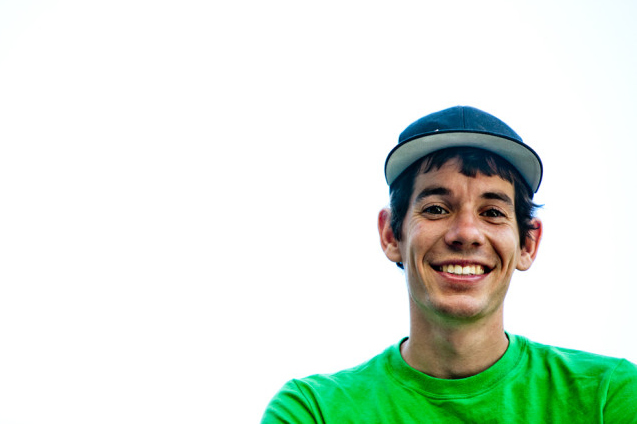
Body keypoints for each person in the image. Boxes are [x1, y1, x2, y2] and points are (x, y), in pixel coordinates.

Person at [261, 106, 637, 423]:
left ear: (528, 243)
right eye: (436, 209)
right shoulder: (315, 410)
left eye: (492, 212)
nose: (466, 233)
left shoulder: (609, 396)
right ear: (391, 236)